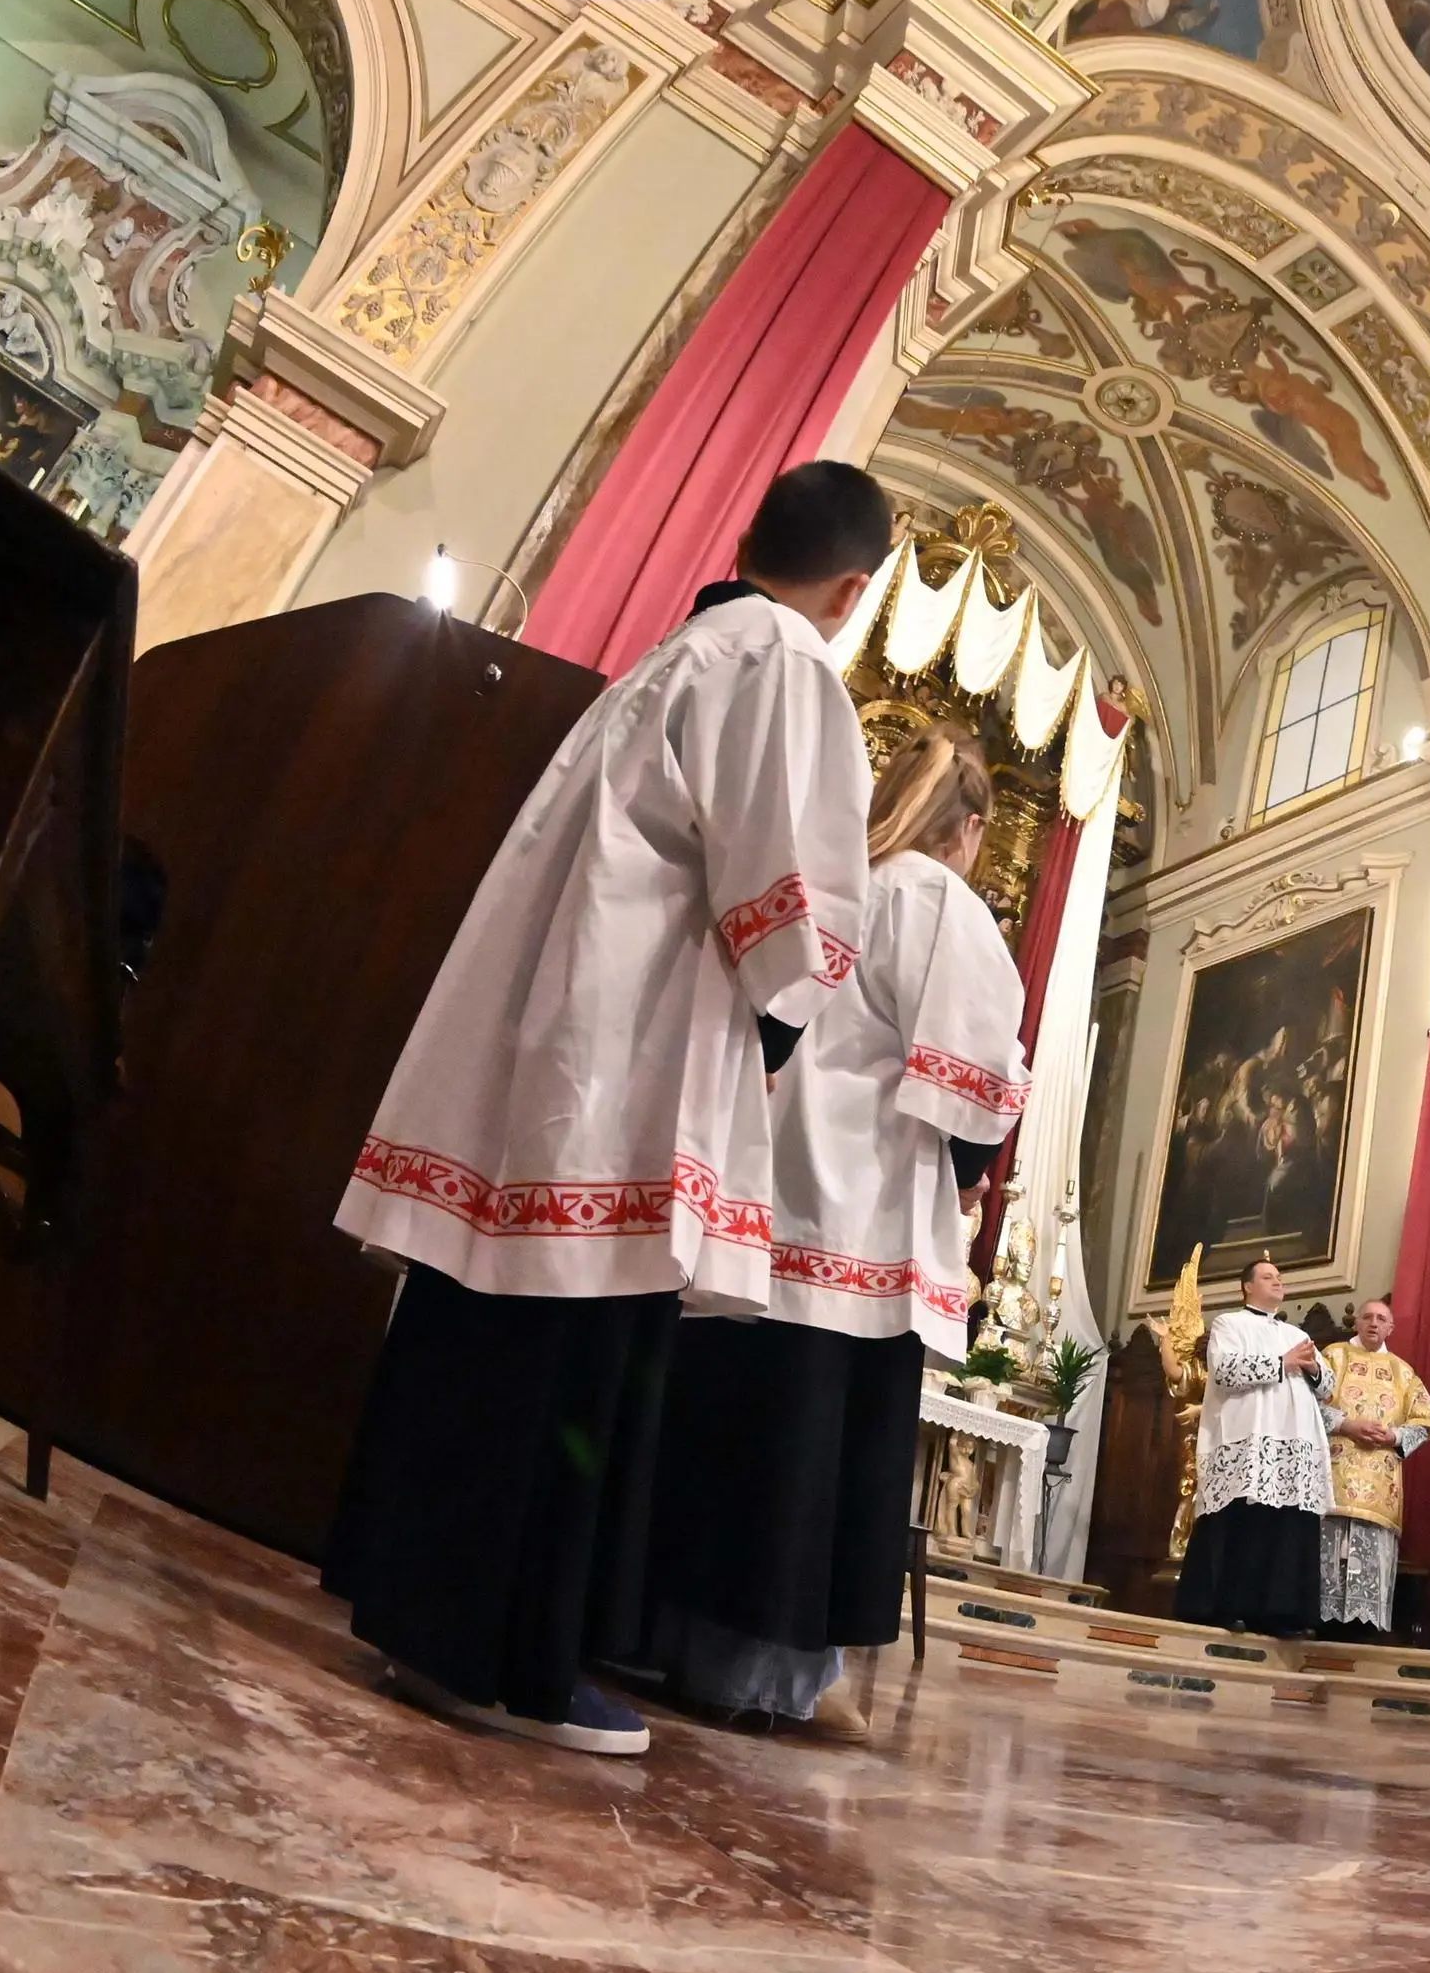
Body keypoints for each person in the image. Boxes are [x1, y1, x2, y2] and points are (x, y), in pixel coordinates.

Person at [322, 460, 887, 1757]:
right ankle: (504, 1657)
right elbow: (785, 896)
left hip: (572, 1038)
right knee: (569, 1347)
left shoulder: (678, 651)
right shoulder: (784, 659)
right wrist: (795, 1014)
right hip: (629, 1064)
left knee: (489, 1320)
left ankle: (427, 1612)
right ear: (852, 588)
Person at [634, 725, 1024, 1735]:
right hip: (863, 1218)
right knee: (810, 1456)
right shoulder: (940, 902)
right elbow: (978, 1079)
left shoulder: (833, 879)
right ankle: (770, 1676)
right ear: (970, 829)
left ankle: (670, 1638)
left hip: (765, 1192)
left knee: (730, 1428)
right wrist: (970, 1181)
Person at [1175, 1256, 1334, 1637]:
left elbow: (1327, 1388)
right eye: (1268, 1277)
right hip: (1248, 1440)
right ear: (1247, 1286)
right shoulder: (1229, 1324)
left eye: (1280, 1277)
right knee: (1244, 1521)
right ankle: (1226, 1607)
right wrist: (1284, 1362)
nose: (1278, 1281)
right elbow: (1226, 1371)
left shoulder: (1296, 1333)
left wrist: (1312, 1368)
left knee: (1289, 1526)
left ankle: (1282, 1614)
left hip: (1293, 1444)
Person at [1319, 1296, 1430, 1639]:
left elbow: (1427, 1421)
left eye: (1381, 1319)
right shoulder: (1333, 1356)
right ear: (1356, 1323)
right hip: (1334, 1472)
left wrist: (1395, 1434)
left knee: (1367, 1554)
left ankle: (1361, 1630)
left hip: (1379, 1481)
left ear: (1391, 1328)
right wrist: (1346, 1425)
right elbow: (1307, 1405)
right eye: (1368, 1317)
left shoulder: (1403, 1372)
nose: (1374, 1323)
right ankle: (1320, 1623)